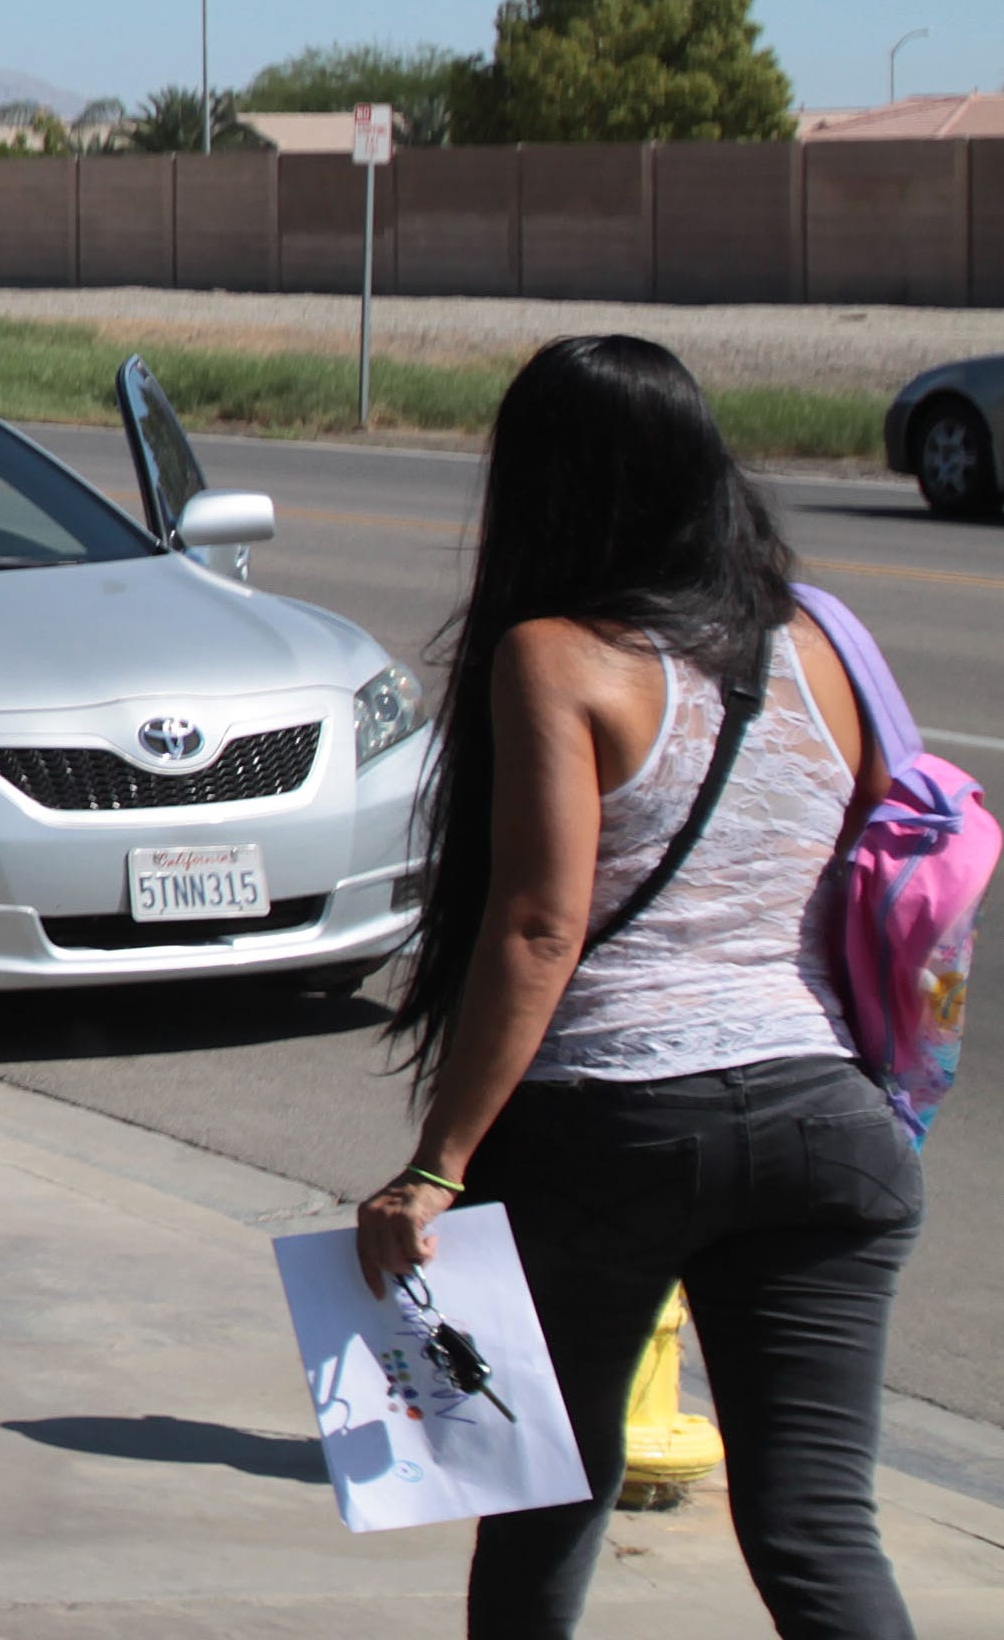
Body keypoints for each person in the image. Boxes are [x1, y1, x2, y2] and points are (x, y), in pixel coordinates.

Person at [355, 337, 916, 1637]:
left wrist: (435, 1162)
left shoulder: (552, 656)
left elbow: (538, 925)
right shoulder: (822, 636)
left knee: (542, 1493)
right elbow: (878, 861)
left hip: (609, 1123)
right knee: (816, 1527)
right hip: (826, 1124)